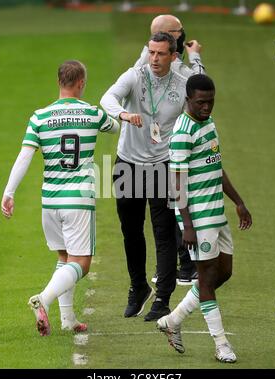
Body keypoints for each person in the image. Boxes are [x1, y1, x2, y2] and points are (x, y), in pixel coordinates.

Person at [1, 60, 119, 336]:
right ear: (81, 83)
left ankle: (68, 319)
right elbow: (115, 126)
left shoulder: (39, 117)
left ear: (59, 82)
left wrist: (9, 192)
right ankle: (44, 298)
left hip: (50, 202)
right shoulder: (92, 114)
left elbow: (25, 156)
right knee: (81, 264)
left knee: (65, 258)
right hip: (77, 201)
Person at [157, 74, 252, 362]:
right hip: (197, 217)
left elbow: (216, 166)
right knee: (207, 278)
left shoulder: (208, 124)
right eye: (201, 102)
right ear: (188, 100)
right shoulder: (183, 132)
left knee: (224, 272)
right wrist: (186, 224)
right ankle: (222, 345)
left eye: (211, 101)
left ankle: (173, 320)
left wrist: (238, 202)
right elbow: (177, 182)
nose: (207, 107)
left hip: (217, 214)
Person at [100, 32, 188, 321]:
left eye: (161, 54)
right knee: (131, 230)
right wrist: (123, 115)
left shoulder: (182, 84)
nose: (154, 59)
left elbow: (196, 116)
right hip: (128, 164)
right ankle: (138, 286)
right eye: (151, 52)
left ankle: (162, 297)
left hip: (164, 165)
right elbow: (107, 98)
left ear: (173, 56)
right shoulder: (135, 76)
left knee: (163, 233)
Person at [135, 14, 205, 284]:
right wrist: (196, 57)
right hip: (173, 148)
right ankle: (186, 267)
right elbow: (201, 85)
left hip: (156, 148)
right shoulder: (173, 66)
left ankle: (175, 267)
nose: (183, 32)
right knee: (177, 208)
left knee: (168, 210)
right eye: (179, 31)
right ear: (172, 36)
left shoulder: (146, 61)